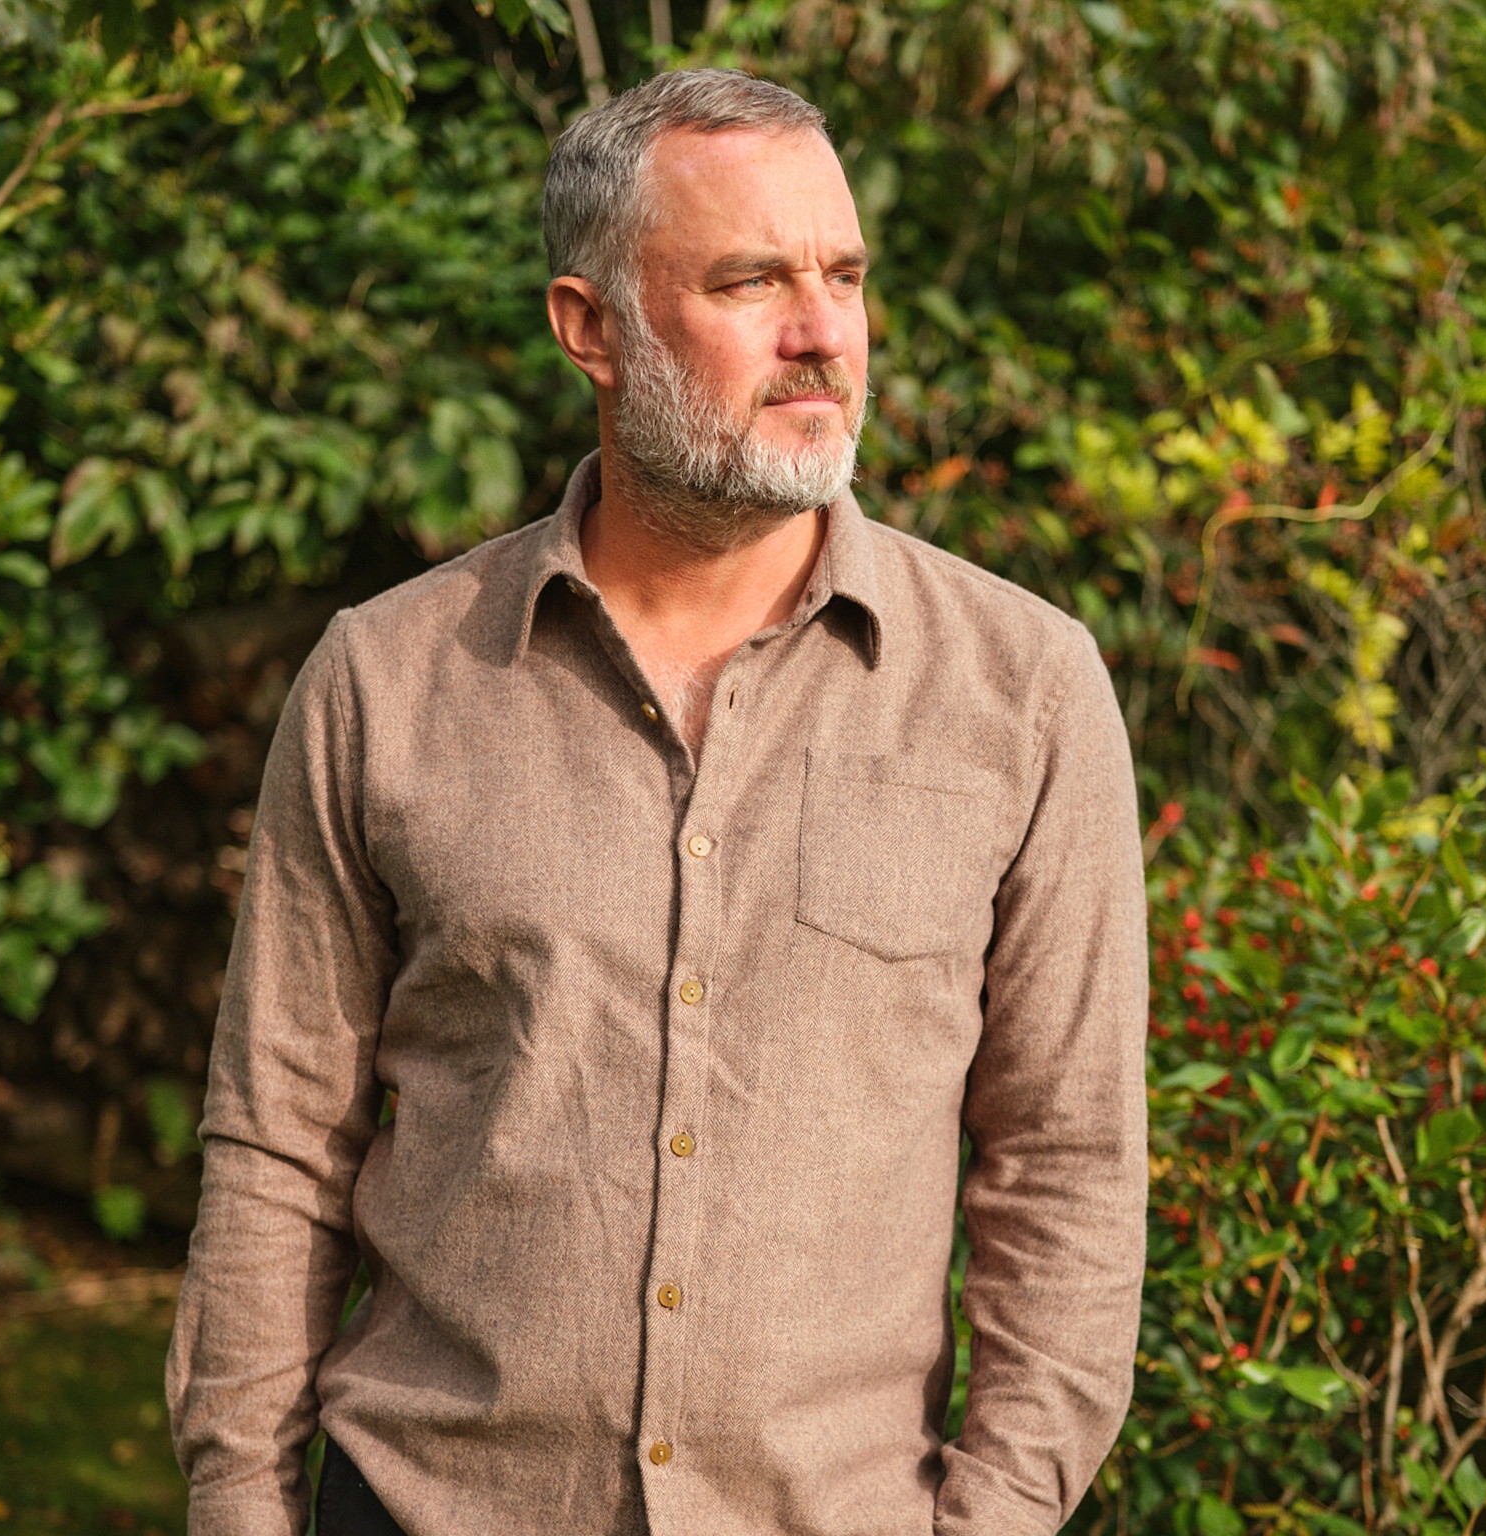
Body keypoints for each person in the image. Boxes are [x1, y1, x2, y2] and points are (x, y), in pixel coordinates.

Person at [167, 67, 1148, 1536]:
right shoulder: (386, 678)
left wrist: (993, 1517)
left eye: (843, 276)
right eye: (752, 280)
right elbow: (276, 1146)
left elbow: (1066, 1167)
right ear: (591, 329)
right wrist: (242, 1508)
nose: (821, 333)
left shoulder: (1025, 692)